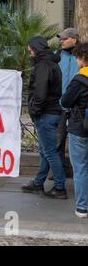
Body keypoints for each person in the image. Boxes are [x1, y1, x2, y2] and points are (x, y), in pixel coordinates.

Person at [21, 36, 67, 199]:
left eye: (31, 50)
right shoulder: (53, 63)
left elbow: (40, 92)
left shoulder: (42, 66)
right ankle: (38, 182)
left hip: (45, 114)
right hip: (53, 112)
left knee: (49, 152)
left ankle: (60, 187)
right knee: (45, 151)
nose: (31, 54)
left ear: (37, 49)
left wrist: (35, 110)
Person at [61, 43, 88, 218]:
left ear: (84, 59)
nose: (76, 60)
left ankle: (82, 207)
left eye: (78, 57)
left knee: (80, 168)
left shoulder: (79, 80)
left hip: (80, 128)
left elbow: (65, 102)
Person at [55, 28, 80, 178]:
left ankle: (79, 171)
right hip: (60, 105)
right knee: (58, 140)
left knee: (79, 141)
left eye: (64, 39)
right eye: (61, 39)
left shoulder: (83, 56)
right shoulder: (57, 56)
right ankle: (61, 171)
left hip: (79, 107)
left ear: (74, 40)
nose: (61, 41)